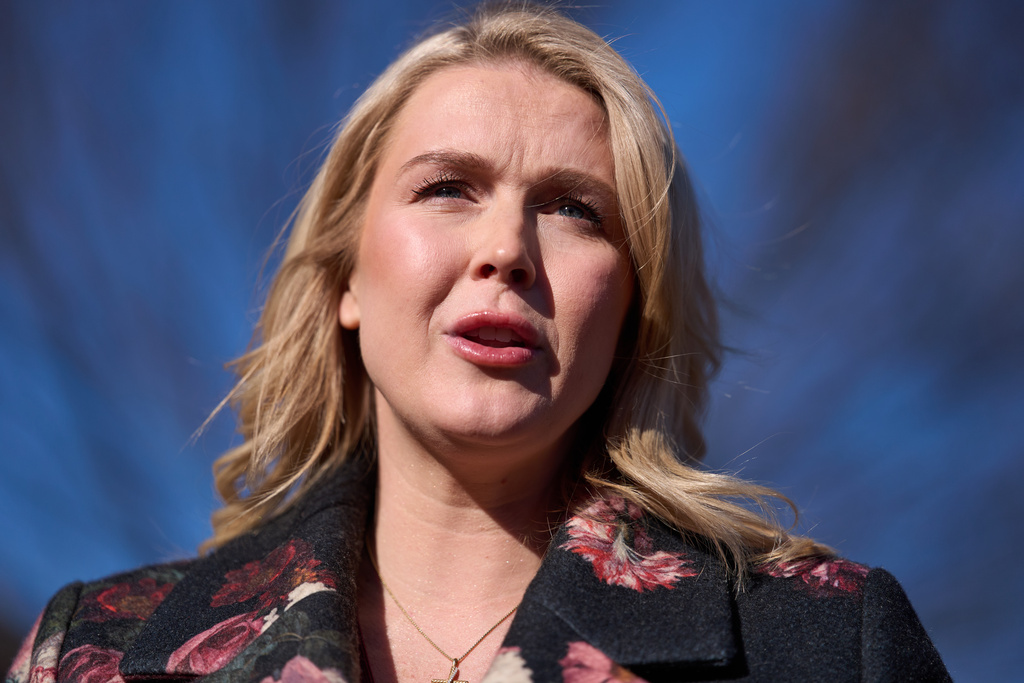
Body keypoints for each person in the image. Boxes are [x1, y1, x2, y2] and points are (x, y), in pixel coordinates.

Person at [8, 3, 949, 682]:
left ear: (632, 303)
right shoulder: (96, 649)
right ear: (345, 278)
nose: (505, 250)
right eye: (448, 187)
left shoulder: (829, 643)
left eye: (574, 209)